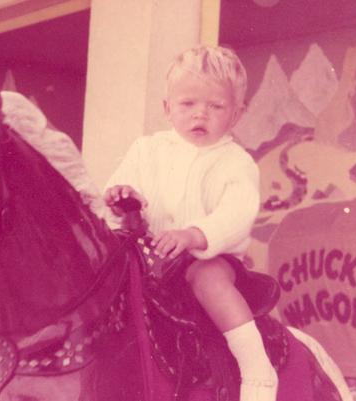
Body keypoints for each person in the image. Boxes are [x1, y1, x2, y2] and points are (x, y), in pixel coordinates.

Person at [103, 45, 277, 401]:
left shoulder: (235, 162)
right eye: (188, 104)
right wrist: (120, 196)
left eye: (216, 106)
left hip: (208, 257)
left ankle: (256, 366)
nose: (201, 114)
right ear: (167, 108)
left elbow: (237, 214)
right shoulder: (146, 150)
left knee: (208, 278)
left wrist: (195, 235)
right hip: (150, 258)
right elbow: (120, 188)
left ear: (237, 114)